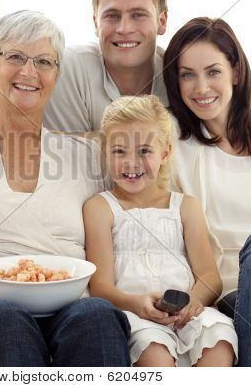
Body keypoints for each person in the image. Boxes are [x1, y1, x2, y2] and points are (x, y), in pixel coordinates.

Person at [0, 10, 131, 367]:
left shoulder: (87, 155)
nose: (29, 72)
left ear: (56, 75)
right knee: (5, 320)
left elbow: (143, 204)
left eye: (44, 61)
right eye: (15, 56)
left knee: (97, 316)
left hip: (75, 303)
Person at [163, 17, 251, 366]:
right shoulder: (176, 148)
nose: (201, 87)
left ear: (236, 72)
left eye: (213, 71)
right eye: (187, 74)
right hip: (233, 299)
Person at [83, 95, 237, 366]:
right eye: (119, 151)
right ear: (105, 151)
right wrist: (135, 303)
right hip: (136, 315)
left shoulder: (185, 206)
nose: (132, 162)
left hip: (190, 314)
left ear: (165, 153)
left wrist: (193, 301)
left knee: (220, 341)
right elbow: (100, 287)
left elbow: (210, 277)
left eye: (144, 151)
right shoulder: (100, 207)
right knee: (155, 354)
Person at [44, 0, 168, 133]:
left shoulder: (181, 75)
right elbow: (68, 156)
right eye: (112, 16)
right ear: (96, 23)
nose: (124, 29)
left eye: (138, 15)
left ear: (162, 21)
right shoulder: (69, 68)